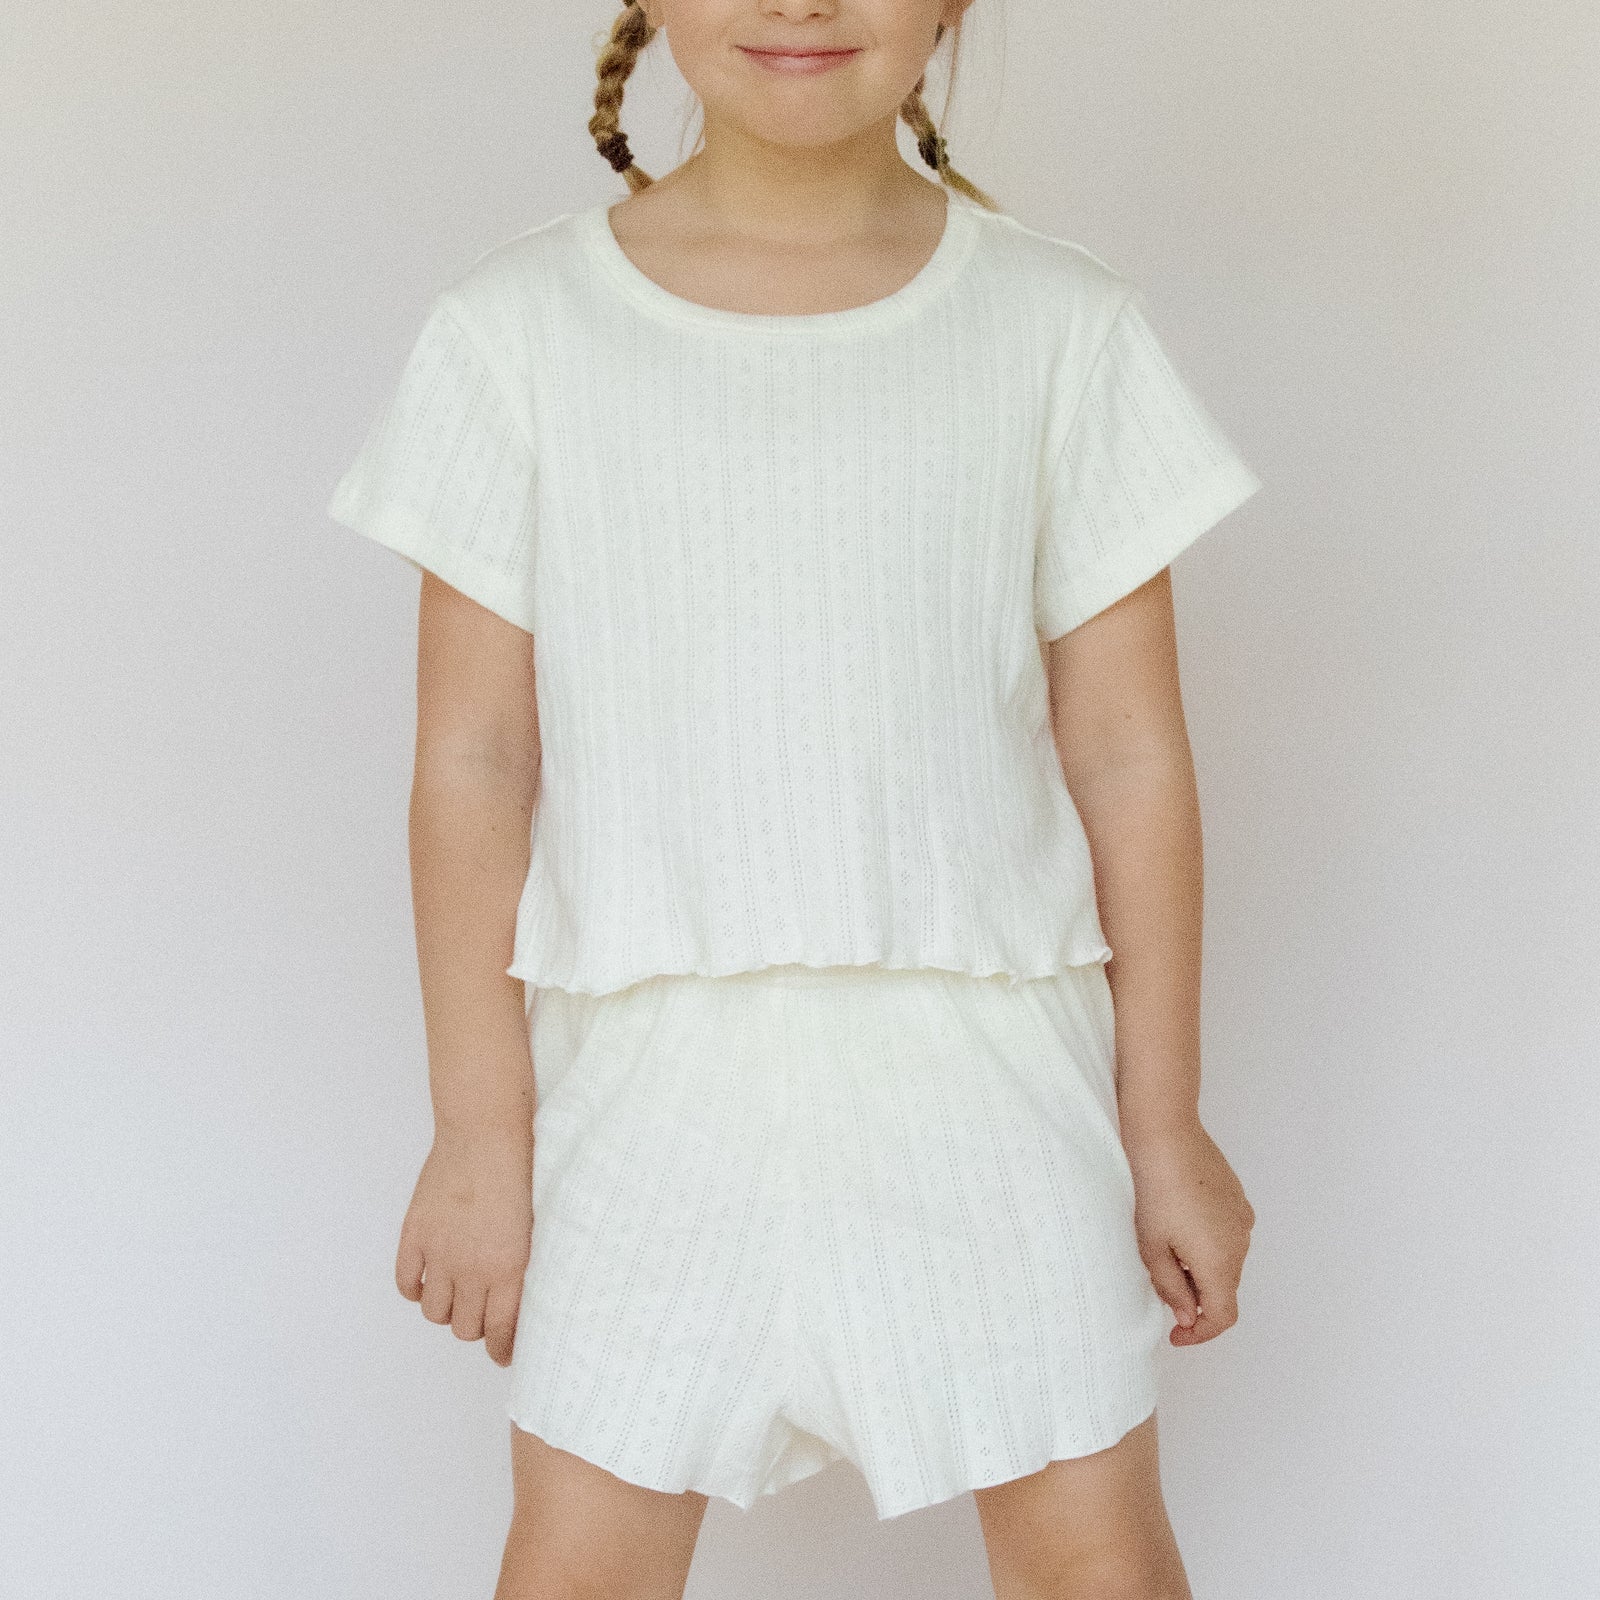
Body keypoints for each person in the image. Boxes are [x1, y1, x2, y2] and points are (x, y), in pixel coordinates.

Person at [325, 3, 1261, 1595]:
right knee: (583, 1565)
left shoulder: (1058, 326)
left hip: (988, 1071)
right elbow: (476, 758)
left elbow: (1127, 752)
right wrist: (478, 1137)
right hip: (643, 1082)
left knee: (1091, 1560)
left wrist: (1162, 1124)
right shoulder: (517, 331)